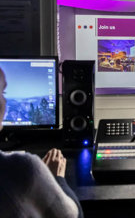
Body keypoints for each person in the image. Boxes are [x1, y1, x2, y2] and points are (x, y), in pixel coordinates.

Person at [0, 68, 83, 218]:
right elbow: (74, 216)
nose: (5, 101)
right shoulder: (22, 169)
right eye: (2, 93)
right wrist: (57, 179)